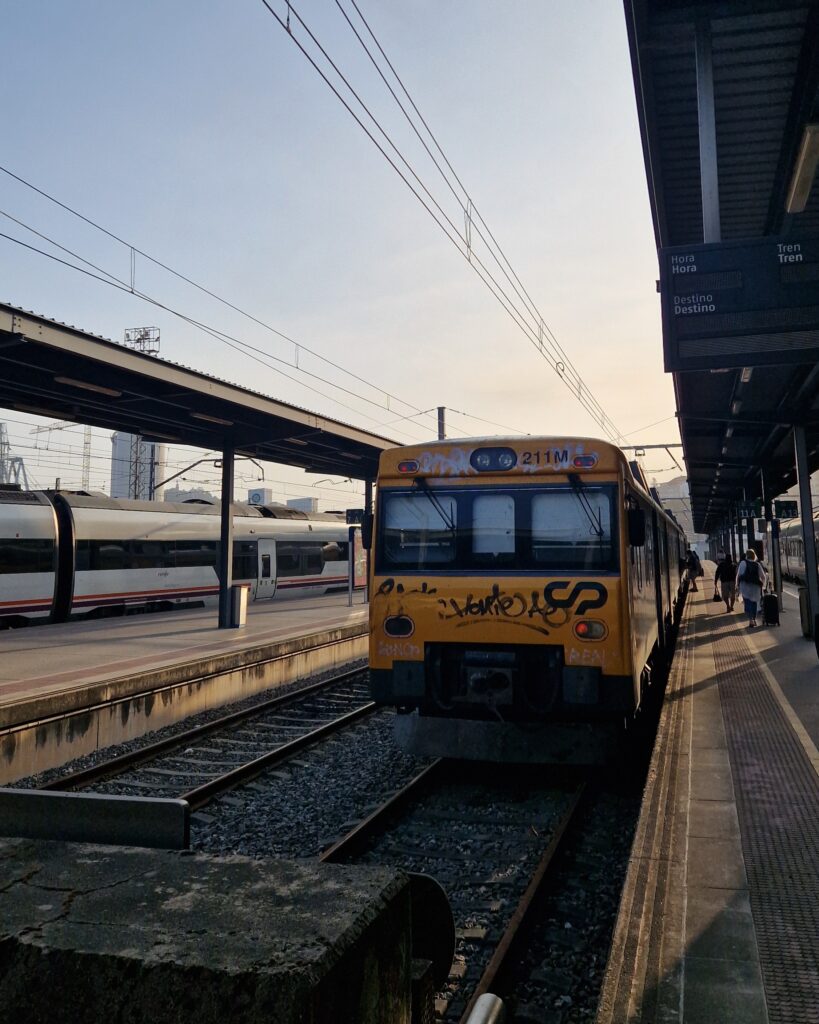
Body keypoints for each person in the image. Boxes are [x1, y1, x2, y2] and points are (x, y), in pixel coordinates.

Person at [736, 549, 766, 628]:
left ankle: (750, 620)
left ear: (747, 555)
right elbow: (763, 577)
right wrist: (762, 586)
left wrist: (737, 585)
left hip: (745, 587)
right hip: (755, 588)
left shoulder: (743, 563)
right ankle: (754, 619)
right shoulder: (757, 564)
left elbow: (739, 575)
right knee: (754, 603)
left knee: (747, 603)